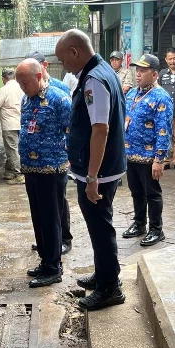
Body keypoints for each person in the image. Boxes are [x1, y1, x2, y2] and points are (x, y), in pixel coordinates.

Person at [56, 29, 127, 310]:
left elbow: (100, 129)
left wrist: (93, 177)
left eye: (64, 59)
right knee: (99, 226)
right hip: (101, 166)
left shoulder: (94, 80)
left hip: (98, 171)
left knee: (100, 228)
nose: (64, 66)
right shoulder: (102, 71)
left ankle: (111, 288)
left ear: (74, 52)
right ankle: (103, 275)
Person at [15, 58, 71, 288]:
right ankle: (45, 261)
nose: (22, 87)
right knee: (38, 217)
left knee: (51, 218)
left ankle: (53, 267)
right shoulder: (27, 99)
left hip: (52, 169)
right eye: (19, 83)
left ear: (39, 76)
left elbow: (74, 130)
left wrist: (68, 157)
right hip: (31, 168)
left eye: (25, 82)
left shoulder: (59, 99)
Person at [27, 50, 74, 255]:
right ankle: (48, 240)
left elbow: (70, 127)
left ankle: (63, 238)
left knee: (58, 203)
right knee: (43, 208)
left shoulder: (58, 90)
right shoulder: (29, 92)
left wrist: (67, 154)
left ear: (43, 67)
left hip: (55, 160)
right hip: (35, 163)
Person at [123, 54, 173, 247]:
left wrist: (159, 159)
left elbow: (164, 131)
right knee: (136, 191)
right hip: (131, 153)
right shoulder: (132, 93)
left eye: (143, 71)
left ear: (154, 74)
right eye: (137, 70)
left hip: (149, 156)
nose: (138, 74)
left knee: (152, 193)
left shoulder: (162, 97)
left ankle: (156, 229)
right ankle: (139, 223)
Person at [0, 67, 25, 184]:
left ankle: (19, 175)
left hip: (10, 125)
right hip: (22, 123)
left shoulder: (4, 90)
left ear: (3, 78)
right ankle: (9, 171)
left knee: (12, 150)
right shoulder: (21, 87)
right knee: (17, 149)